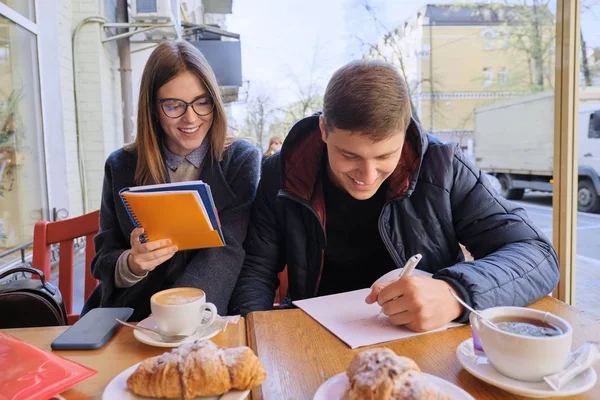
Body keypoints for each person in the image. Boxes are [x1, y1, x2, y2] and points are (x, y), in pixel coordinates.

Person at [229, 60, 559, 332]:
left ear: (405, 132)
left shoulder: (443, 167)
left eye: (385, 156)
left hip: (423, 334)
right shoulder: (281, 173)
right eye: (350, 156)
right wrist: (259, 340)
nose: (367, 176)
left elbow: (537, 253)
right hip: (316, 332)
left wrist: (454, 293)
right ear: (324, 130)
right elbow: (257, 271)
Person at [82, 41, 261, 321]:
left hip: (204, 314)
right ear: (153, 108)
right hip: (129, 315)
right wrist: (132, 263)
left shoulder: (240, 160)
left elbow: (227, 250)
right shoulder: (121, 165)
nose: (191, 118)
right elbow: (103, 258)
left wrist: (173, 315)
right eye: (174, 105)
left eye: (202, 102)